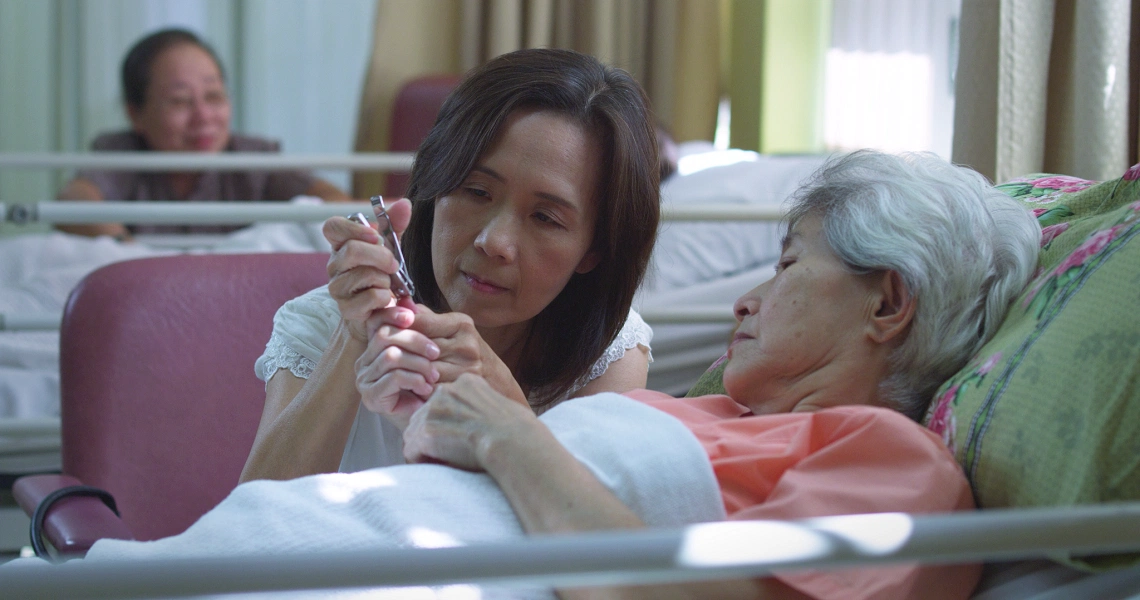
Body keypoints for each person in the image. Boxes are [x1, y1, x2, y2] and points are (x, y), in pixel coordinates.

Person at [397, 150, 1041, 599]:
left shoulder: (896, 464)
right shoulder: (710, 415)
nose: (746, 301)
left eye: (788, 265)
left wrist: (505, 437)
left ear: (888, 304)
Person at [240, 48, 661, 482]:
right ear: (434, 183)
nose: (493, 242)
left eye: (545, 218)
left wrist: (503, 408)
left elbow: (591, 541)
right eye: (476, 191)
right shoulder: (321, 323)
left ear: (594, 251)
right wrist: (352, 338)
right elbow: (249, 535)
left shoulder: (610, 352)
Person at [56, 28, 350, 240]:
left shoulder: (251, 158)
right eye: (180, 101)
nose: (203, 117)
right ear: (136, 114)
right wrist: (125, 250)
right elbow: (75, 201)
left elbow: (326, 197)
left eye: (213, 96)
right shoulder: (124, 154)